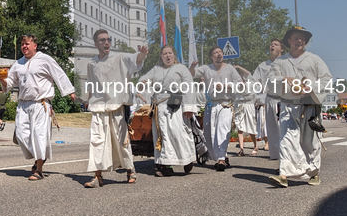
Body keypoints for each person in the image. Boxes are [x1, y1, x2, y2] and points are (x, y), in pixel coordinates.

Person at [0, 34, 75, 181]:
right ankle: (41, 156)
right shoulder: (18, 63)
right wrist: (2, 78)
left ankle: (39, 169)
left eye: (27, 44)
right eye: (22, 44)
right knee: (21, 135)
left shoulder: (45, 59)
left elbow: (60, 75)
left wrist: (71, 94)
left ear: (35, 46)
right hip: (23, 105)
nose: (24, 46)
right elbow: (10, 83)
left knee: (39, 135)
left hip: (41, 104)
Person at [267, 27, 333, 188]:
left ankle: (313, 173)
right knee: (287, 140)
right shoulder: (281, 62)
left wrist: (311, 87)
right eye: (296, 38)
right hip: (288, 107)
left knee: (310, 142)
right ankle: (284, 174)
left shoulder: (314, 59)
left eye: (302, 38)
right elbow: (270, 81)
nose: (300, 41)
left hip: (310, 106)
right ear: (288, 41)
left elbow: (327, 79)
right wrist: (283, 79)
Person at [83, 29, 147, 188]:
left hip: (117, 106)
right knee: (96, 141)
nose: (106, 42)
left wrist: (142, 54)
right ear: (96, 44)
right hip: (98, 107)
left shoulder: (119, 58)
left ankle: (130, 170)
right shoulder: (92, 64)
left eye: (108, 40)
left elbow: (135, 60)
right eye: (102, 40)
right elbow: (91, 84)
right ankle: (97, 176)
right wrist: (87, 100)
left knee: (121, 140)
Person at [138, 45, 196, 177]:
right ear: (161, 56)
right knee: (162, 137)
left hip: (175, 106)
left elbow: (189, 87)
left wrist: (189, 107)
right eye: (165, 54)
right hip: (159, 107)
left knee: (178, 134)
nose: (168, 56)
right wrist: (143, 82)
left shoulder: (181, 68)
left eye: (170, 53)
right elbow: (144, 78)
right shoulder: (156, 69)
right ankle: (165, 165)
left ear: (174, 55)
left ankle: (187, 159)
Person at [190, 46, 242, 171]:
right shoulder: (207, 68)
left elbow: (240, 84)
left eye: (220, 52)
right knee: (209, 133)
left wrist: (225, 86)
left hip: (225, 104)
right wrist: (192, 66)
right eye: (216, 52)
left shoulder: (229, 69)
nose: (219, 54)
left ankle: (221, 159)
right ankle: (219, 157)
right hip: (211, 105)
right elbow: (192, 73)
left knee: (222, 130)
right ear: (211, 56)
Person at [257, 39, 285, 160]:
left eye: (276, 44)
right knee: (272, 132)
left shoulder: (286, 62)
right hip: (269, 99)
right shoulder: (263, 66)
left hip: (283, 100)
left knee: (284, 130)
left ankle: (286, 159)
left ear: (282, 49)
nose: (272, 46)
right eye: (271, 44)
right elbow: (253, 82)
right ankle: (276, 158)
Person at [232, 65, 257, 156]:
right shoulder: (236, 84)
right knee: (240, 127)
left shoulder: (250, 82)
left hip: (248, 105)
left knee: (251, 127)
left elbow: (248, 73)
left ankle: (255, 146)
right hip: (239, 106)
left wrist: (238, 66)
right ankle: (241, 149)